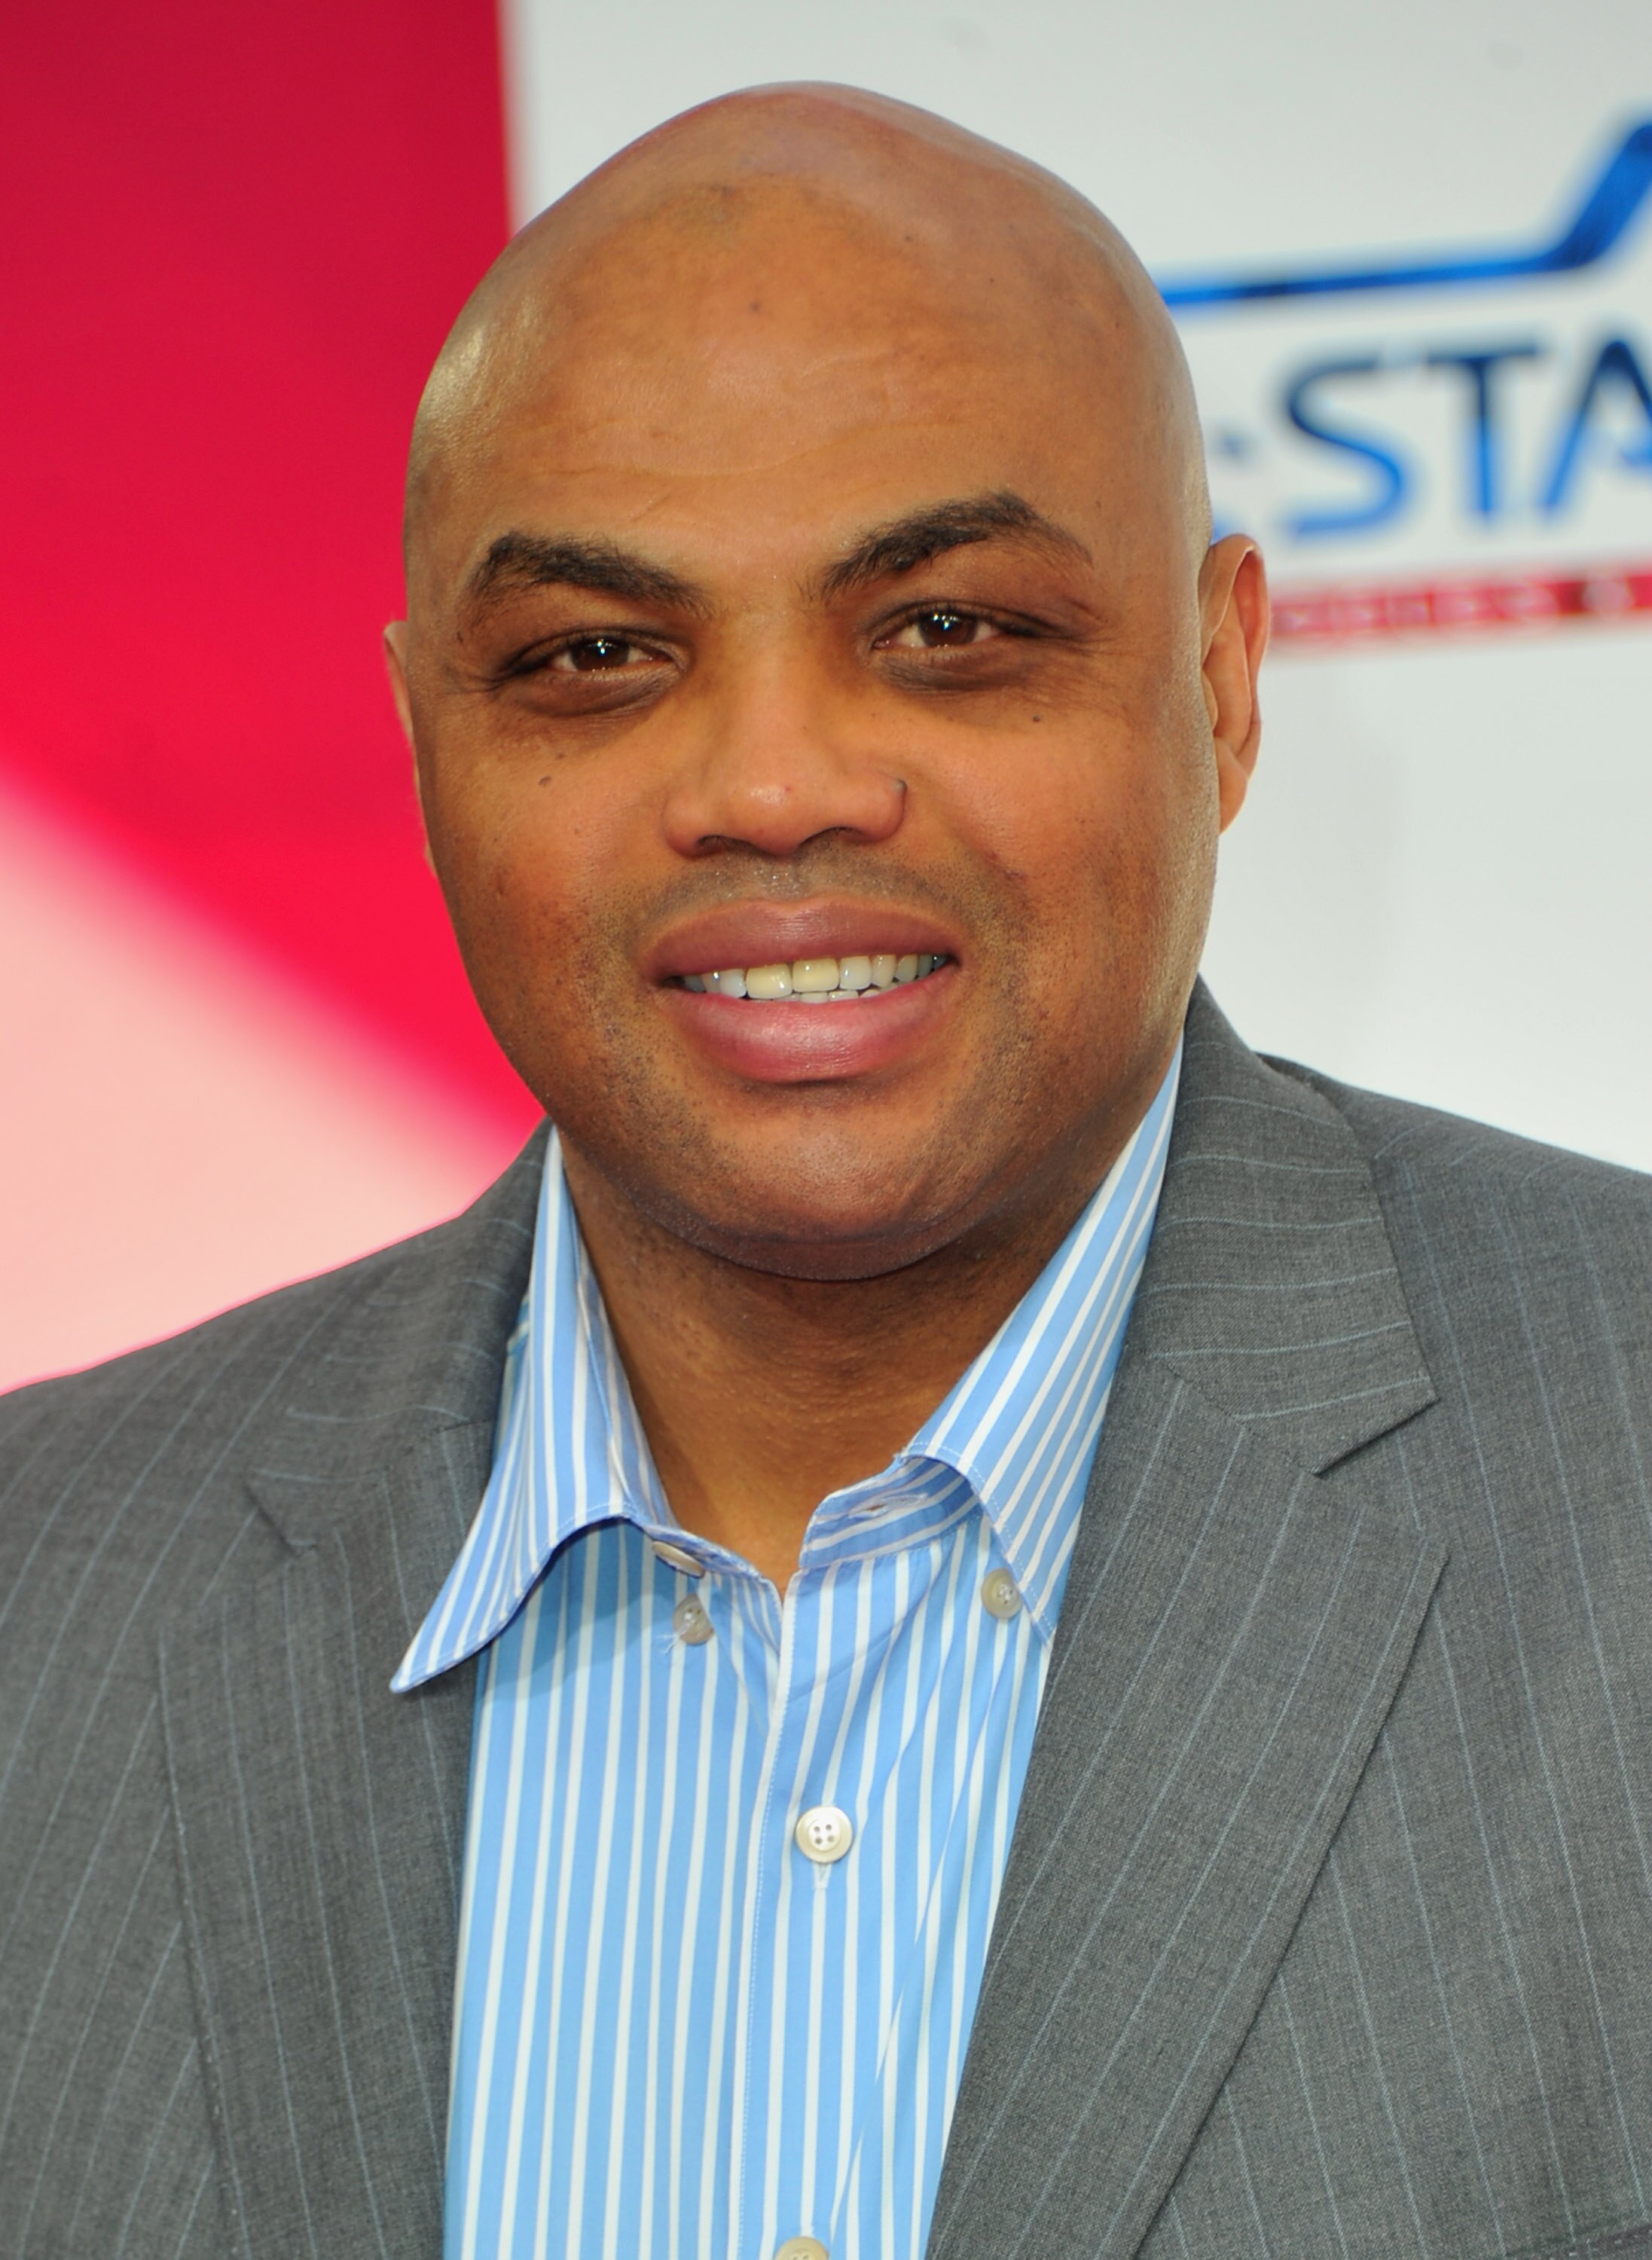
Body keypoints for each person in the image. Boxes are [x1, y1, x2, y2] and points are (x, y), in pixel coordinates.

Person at [3, 81, 1650, 2260]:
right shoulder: (46, 1606)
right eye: (597, 657)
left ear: (1219, 682)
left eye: (947, 629)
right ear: (425, 748)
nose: (773, 783)